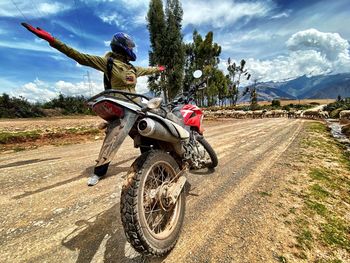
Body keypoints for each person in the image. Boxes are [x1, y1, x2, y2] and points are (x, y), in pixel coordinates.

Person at [22, 23, 165, 186]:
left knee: (145, 133)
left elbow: (147, 70)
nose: (132, 49)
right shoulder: (107, 62)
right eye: (130, 46)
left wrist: (158, 69)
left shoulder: (132, 68)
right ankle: (99, 172)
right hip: (121, 108)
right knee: (113, 138)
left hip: (137, 107)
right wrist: (52, 40)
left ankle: (148, 166)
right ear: (122, 47)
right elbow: (79, 56)